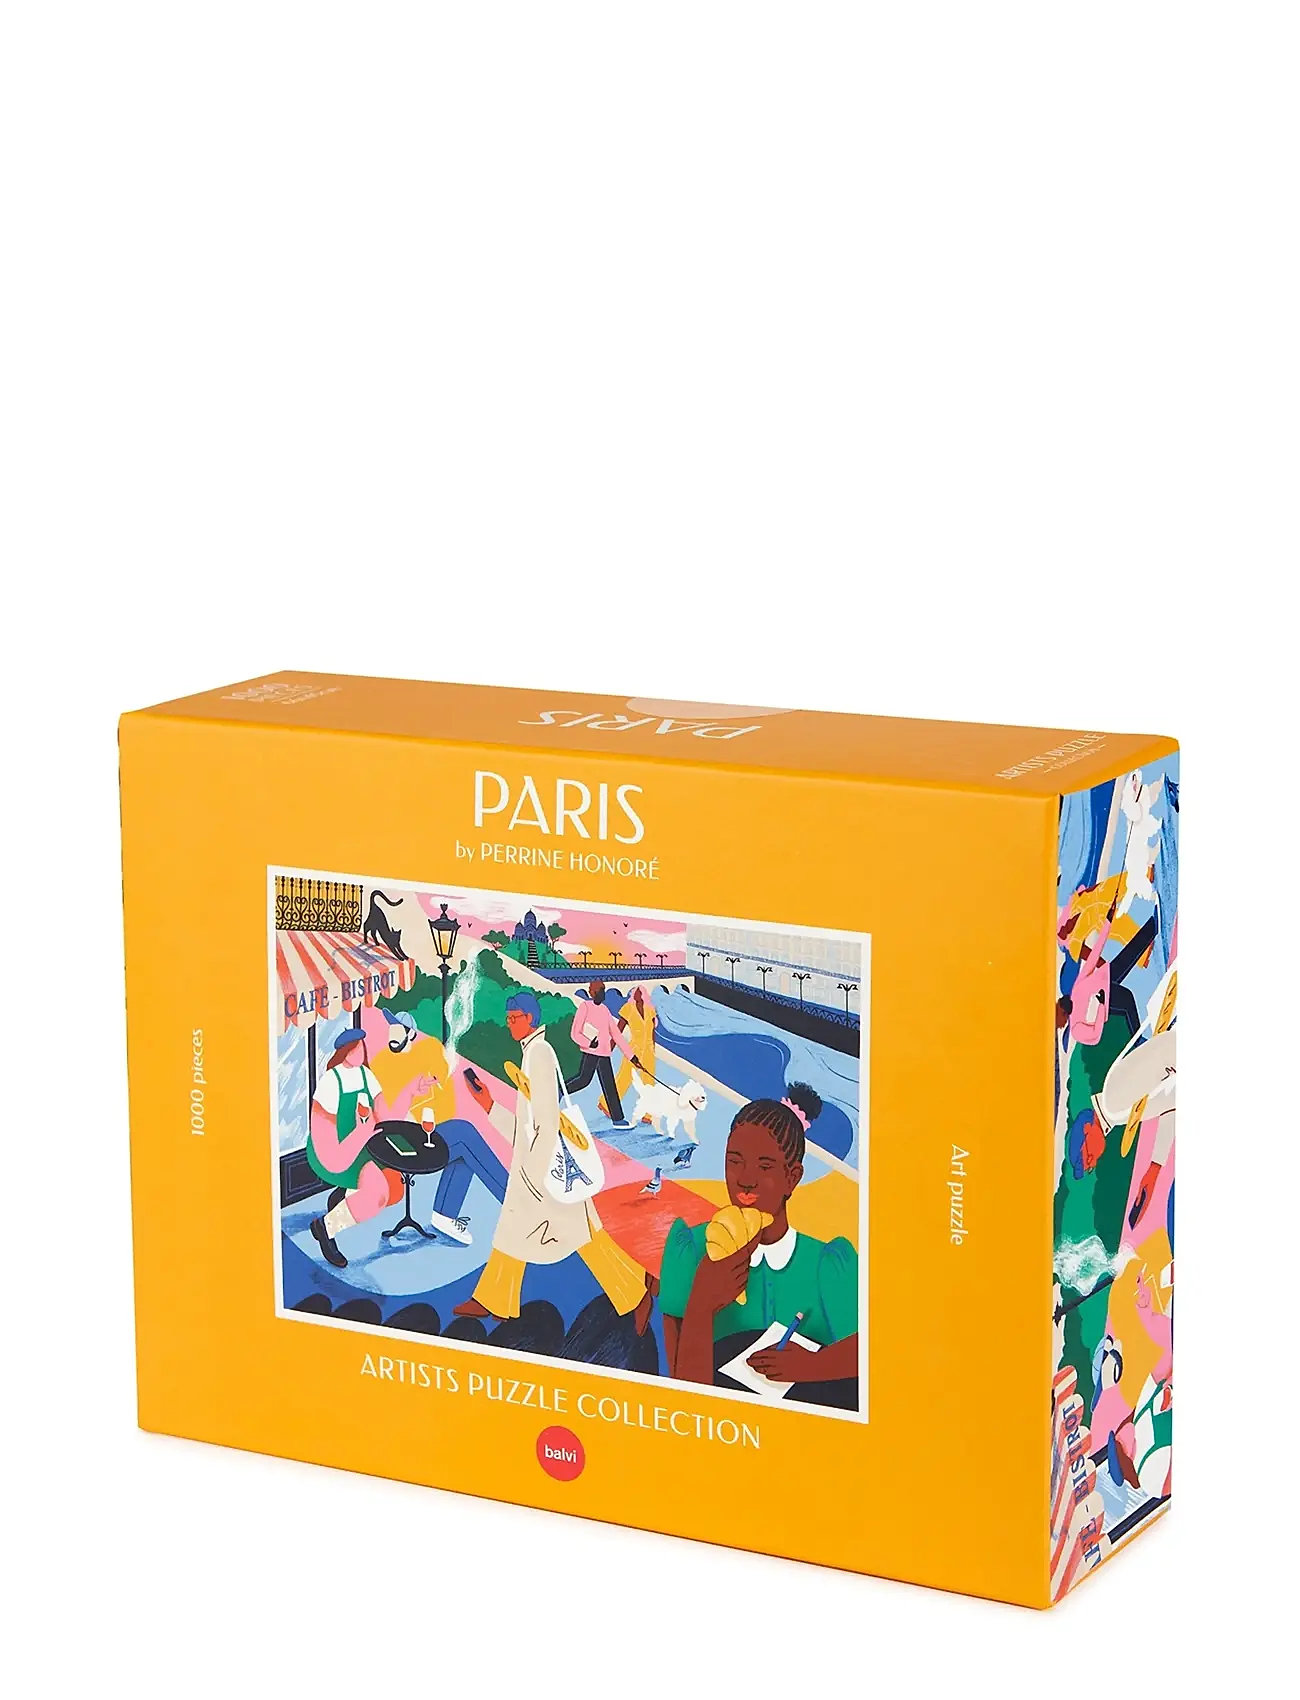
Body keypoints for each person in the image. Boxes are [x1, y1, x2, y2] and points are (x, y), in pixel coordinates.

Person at [454, 992, 655, 1332]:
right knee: (563, 1233)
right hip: (541, 1165)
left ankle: (635, 1292)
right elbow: (528, 1124)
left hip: (543, 1169)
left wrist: (534, 1177)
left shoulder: (539, 1055)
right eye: (508, 1018)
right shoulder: (532, 1053)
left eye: (514, 1018)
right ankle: (495, 1298)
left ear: (530, 1019)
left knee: (561, 1233)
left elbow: (546, 1122)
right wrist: (489, 1105)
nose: (509, 1024)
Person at [659, 1083, 859, 1391]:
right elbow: (680, 1386)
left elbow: (871, 1353)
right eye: (734, 1161)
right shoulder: (690, 1249)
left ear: (792, 1177)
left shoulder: (827, 1263)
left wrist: (813, 1366)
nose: (746, 1179)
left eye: (765, 1166)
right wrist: (701, 1301)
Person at [307, 1026, 433, 1268]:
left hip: (365, 1146)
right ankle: (325, 1227)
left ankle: (344, 1196)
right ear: (343, 1052)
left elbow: (385, 1117)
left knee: (394, 1191)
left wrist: (410, 1091)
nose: (360, 1052)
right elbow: (328, 1147)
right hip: (336, 1152)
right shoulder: (330, 1083)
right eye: (354, 1048)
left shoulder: (366, 1075)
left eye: (361, 1047)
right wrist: (360, 1134)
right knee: (377, 1195)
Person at [565, 980, 642, 1125]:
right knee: (583, 1081)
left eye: (603, 990)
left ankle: (618, 1119)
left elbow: (616, 1035)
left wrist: (631, 1057)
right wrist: (589, 1043)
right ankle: (560, 1090)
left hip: (604, 1053)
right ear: (592, 992)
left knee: (609, 1086)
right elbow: (575, 1032)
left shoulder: (605, 1010)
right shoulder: (585, 1007)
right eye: (599, 990)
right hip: (591, 1052)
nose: (602, 993)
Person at [599, 984, 658, 1119]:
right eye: (635, 992)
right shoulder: (628, 1009)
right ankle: (605, 1103)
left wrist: (653, 1048)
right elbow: (618, 1030)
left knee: (649, 1081)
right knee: (624, 1078)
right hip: (633, 1050)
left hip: (648, 1051)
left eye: (640, 991)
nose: (637, 994)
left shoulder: (650, 1010)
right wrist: (609, 1048)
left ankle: (648, 1113)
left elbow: (652, 1031)